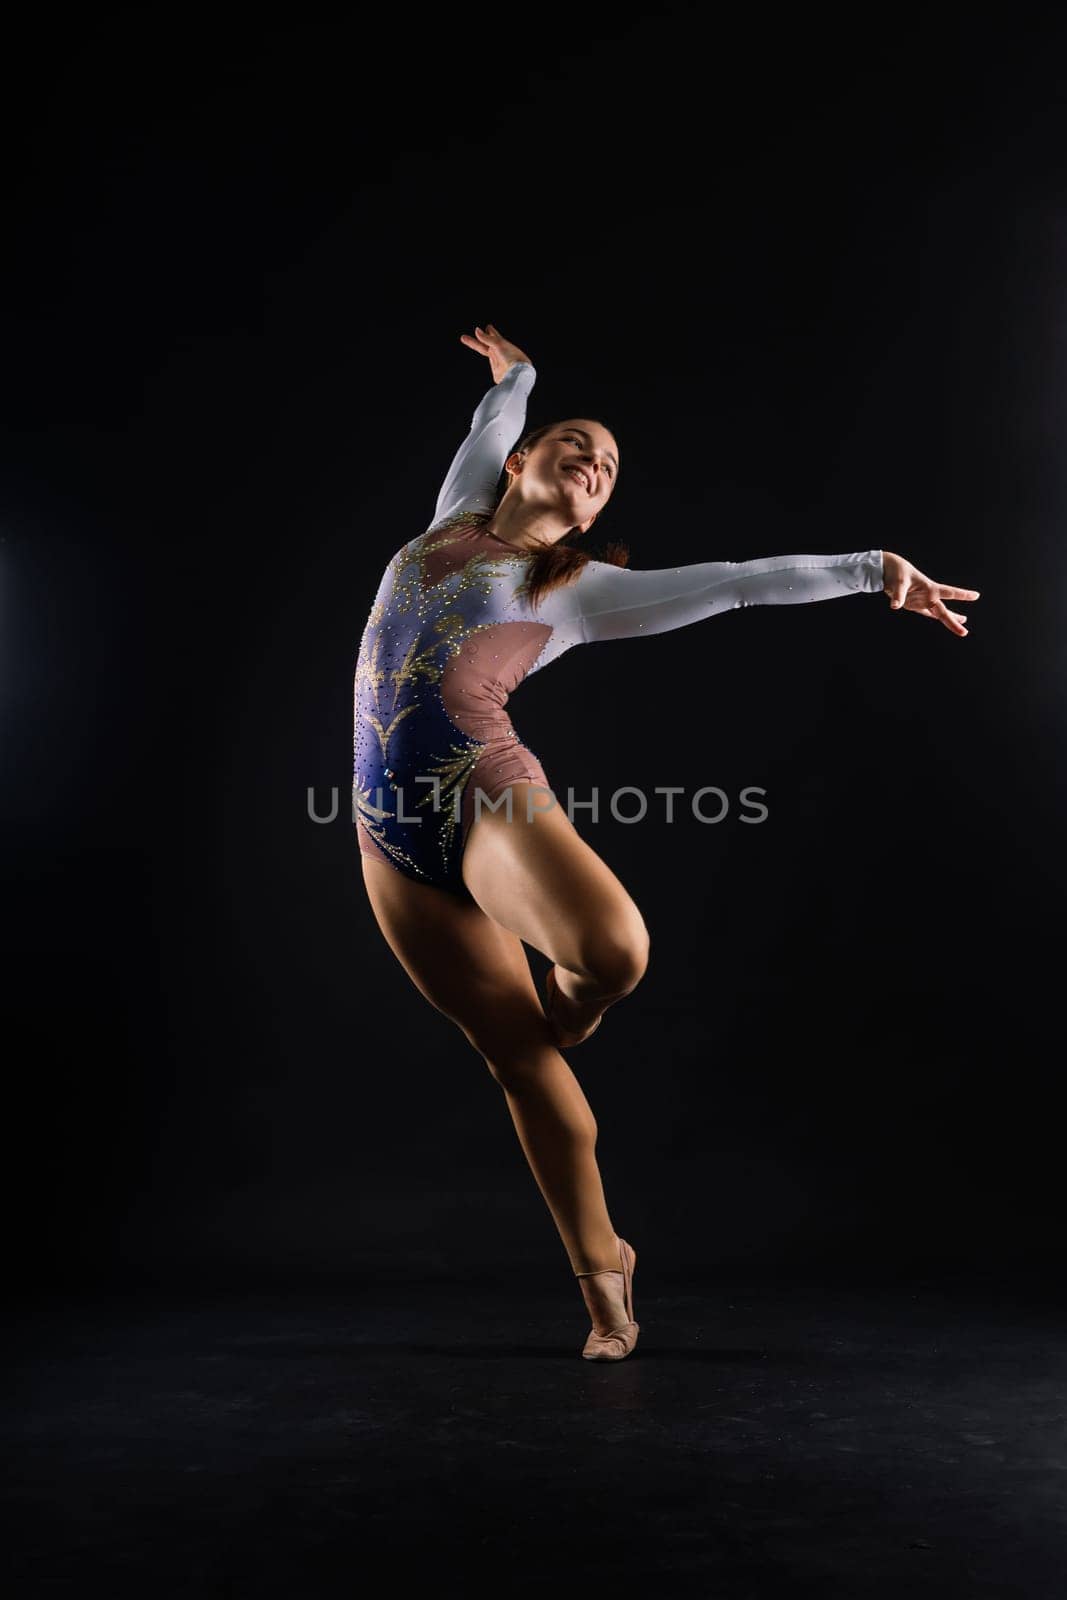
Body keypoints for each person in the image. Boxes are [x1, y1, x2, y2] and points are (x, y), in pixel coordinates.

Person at [353, 323, 981, 1361]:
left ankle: (573, 1001)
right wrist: (519, 377)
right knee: (519, 1066)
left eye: (607, 469)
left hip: (484, 797)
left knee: (613, 954)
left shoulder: (575, 592)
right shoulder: (455, 512)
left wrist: (873, 570)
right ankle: (606, 1278)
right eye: (577, 448)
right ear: (521, 467)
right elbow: (492, 417)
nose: (594, 467)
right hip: (386, 839)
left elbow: (740, 578)